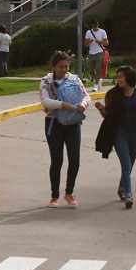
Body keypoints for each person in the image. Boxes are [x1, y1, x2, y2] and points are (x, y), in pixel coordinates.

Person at [94, 65, 136, 209]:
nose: (118, 79)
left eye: (121, 77)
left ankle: (121, 188)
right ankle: (128, 194)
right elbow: (107, 116)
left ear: (129, 78)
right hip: (120, 134)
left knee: (129, 166)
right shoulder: (112, 94)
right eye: (118, 76)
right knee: (126, 165)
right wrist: (101, 108)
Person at [40, 51, 91, 208]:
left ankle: (69, 193)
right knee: (57, 160)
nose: (63, 70)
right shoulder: (46, 81)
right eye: (60, 67)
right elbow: (45, 101)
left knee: (74, 158)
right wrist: (62, 104)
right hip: (54, 123)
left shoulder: (75, 80)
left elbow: (86, 96)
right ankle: (54, 196)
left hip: (73, 123)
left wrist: (83, 105)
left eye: (66, 66)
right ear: (54, 67)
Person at [84, 20, 109, 92]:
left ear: (97, 25)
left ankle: (95, 85)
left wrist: (100, 41)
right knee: (90, 70)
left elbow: (106, 43)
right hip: (91, 53)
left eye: (95, 27)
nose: (94, 28)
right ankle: (98, 79)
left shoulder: (102, 32)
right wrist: (89, 41)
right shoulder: (88, 32)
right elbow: (85, 44)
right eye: (93, 27)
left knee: (98, 69)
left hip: (99, 52)